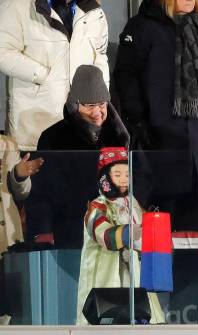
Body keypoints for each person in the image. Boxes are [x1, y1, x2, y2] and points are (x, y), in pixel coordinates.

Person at [114, 0, 198, 232]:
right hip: (158, 147)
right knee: (159, 236)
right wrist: (139, 124)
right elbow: (126, 77)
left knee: (194, 238)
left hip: (197, 145)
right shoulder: (143, 27)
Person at [24, 64, 149, 248]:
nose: (97, 112)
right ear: (75, 105)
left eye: (101, 104)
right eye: (90, 106)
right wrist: (43, 229)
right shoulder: (53, 137)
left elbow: (144, 177)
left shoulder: (126, 135)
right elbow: (43, 189)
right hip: (74, 230)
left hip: (124, 229)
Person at [0, 0, 109, 151]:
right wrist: (45, 75)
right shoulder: (17, 5)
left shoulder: (94, 11)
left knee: (81, 170)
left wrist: (99, 97)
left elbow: (100, 57)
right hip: (36, 119)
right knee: (36, 171)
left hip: (83, 122)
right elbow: (3, 51)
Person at [75, 147, 164, 325]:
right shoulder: (98, 206)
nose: (123, 179)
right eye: (117, 174)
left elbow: (148, 229)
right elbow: (101, 233)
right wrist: (126, 234)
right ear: (105, 178)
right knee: (108, 319)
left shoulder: (134, 204)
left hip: (135, 275)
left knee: (145, 315)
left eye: (126, 174)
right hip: (108, 279)